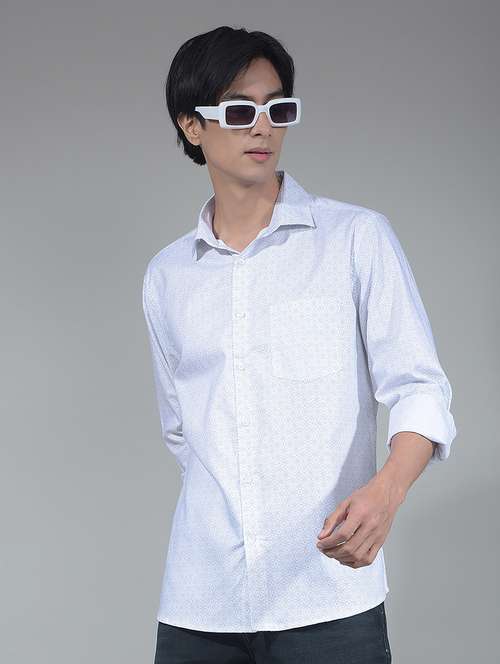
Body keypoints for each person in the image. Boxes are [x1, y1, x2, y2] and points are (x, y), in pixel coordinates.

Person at [142, 25, 457, 664]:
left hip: (328, 597)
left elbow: (419, 388)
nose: (263, 127)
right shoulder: (167, 276)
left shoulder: (356, 240)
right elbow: (182, 431)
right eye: (239, 110)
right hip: (201, 602)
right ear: (191, 126)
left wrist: (387, 490)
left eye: (277, 108)